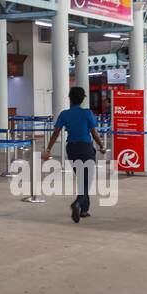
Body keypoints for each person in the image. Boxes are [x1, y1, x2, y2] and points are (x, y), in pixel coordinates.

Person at [42, 86, 105, 224]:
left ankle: (84, 210)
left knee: (82, 178)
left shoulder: (64, 114)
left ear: (70, 99)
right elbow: (94, 133)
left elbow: (56, 133)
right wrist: (101, 145)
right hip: (86, 148)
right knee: (87, 179)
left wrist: (48, 149)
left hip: (72, 149)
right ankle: (77, 203)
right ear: (83, 99)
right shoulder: (87, 113)